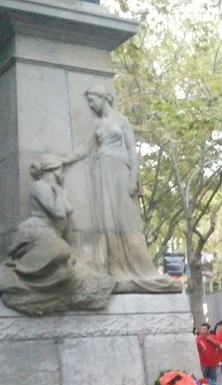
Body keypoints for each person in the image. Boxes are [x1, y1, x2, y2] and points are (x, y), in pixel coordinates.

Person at [67, 85, 180, 293]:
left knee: (125, 220)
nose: (91, 105)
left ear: (103, 98)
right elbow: (86, 148)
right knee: (108, 220)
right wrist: (66, 160)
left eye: (92, 100)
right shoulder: (97, 123)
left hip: (120, 169)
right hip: (103, 172)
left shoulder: (121, 120)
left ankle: (136, 266)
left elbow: (132, 151)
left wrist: (132, 178)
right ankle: (114, 266)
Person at [0, 154, 114, 314]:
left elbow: (68, 210)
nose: (62, 174)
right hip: (37, 231)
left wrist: (61, 193)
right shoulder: (38, 187)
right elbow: (59, 213)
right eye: (60, 170)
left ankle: (46, 295)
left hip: (52, 234)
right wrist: (60, 194)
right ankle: (14, 275)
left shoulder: (57, 190)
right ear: (52, 169)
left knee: (67, 272)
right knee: (62, 250)